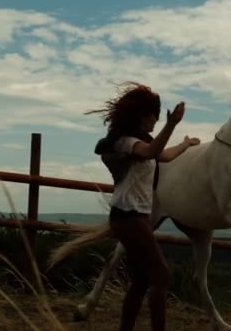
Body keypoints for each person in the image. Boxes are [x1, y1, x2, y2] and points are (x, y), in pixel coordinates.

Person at [86, 82, 200, 331]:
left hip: (132, 217)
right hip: (129, 216)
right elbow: (151, 151)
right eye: (153, 117)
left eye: (159, 118)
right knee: (161, 275)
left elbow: (164, 155)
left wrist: (186, 144)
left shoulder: (136, 142)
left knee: (140, 279)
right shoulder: (125, 142)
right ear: (141, 115)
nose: (155, 122)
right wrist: (172, 124)